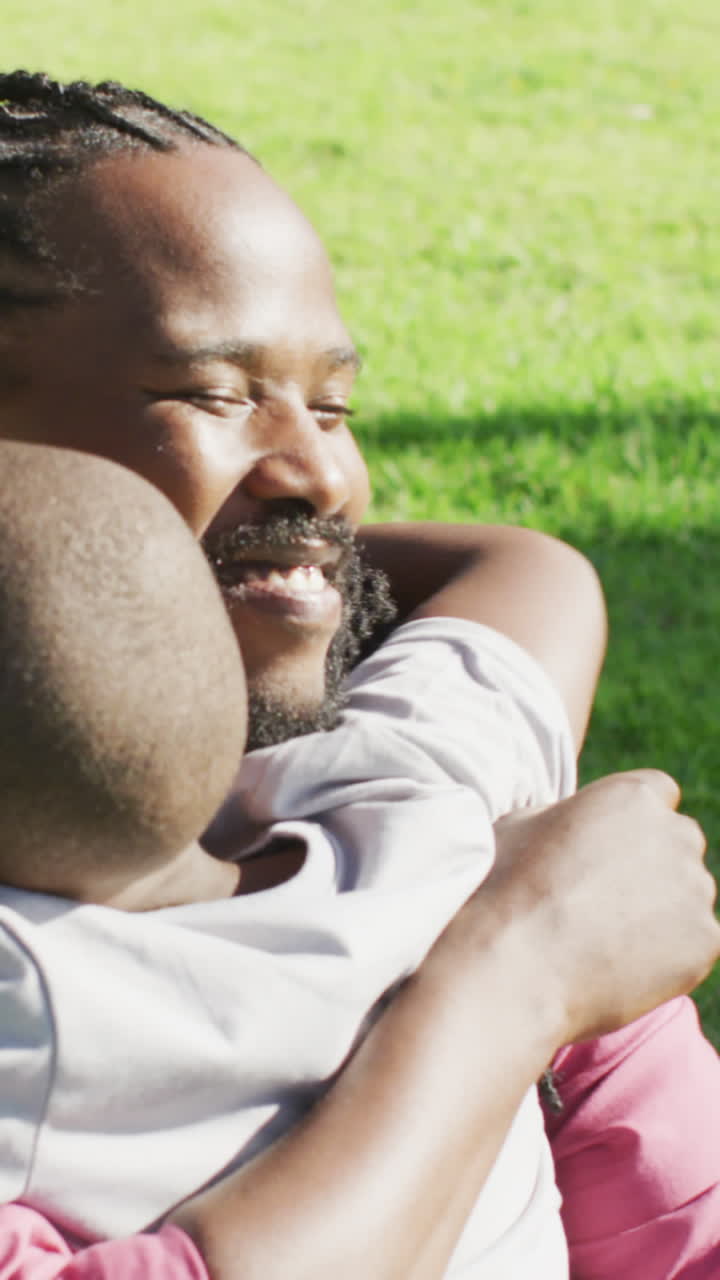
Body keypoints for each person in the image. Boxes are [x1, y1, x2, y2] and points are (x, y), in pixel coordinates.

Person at [0, 71, 717, 1278]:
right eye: (210, 394)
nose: (324, 479)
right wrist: (513, 980)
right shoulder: (468, 848)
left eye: (334, 405)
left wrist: (130, 581)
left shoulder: (442, 799)